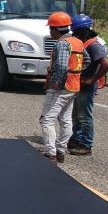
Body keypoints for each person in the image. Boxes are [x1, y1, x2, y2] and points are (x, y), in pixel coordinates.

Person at [40, 12, 84, 164]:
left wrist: (56, 82)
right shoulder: (77, 42)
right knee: (65, 119)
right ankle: (60, 151)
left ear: (55, 29)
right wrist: (76, 74)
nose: (50, 32)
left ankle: (50, 153)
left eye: (51, 28)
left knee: (47, 120)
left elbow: (62, 65)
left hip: (61, 87)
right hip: (74, 85)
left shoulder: (62, 44)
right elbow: (87, 61)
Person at [68, 14, 108, 156]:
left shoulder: (93, 45)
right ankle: (76, 139)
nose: (74, 34)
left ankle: (86, 145)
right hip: (80, 83)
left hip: (87, 85)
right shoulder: (85, 42)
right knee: (76, 114)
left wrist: (92, 79)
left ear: (84, 30)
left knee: (84, 116)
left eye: (76, 31)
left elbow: (106, 64)